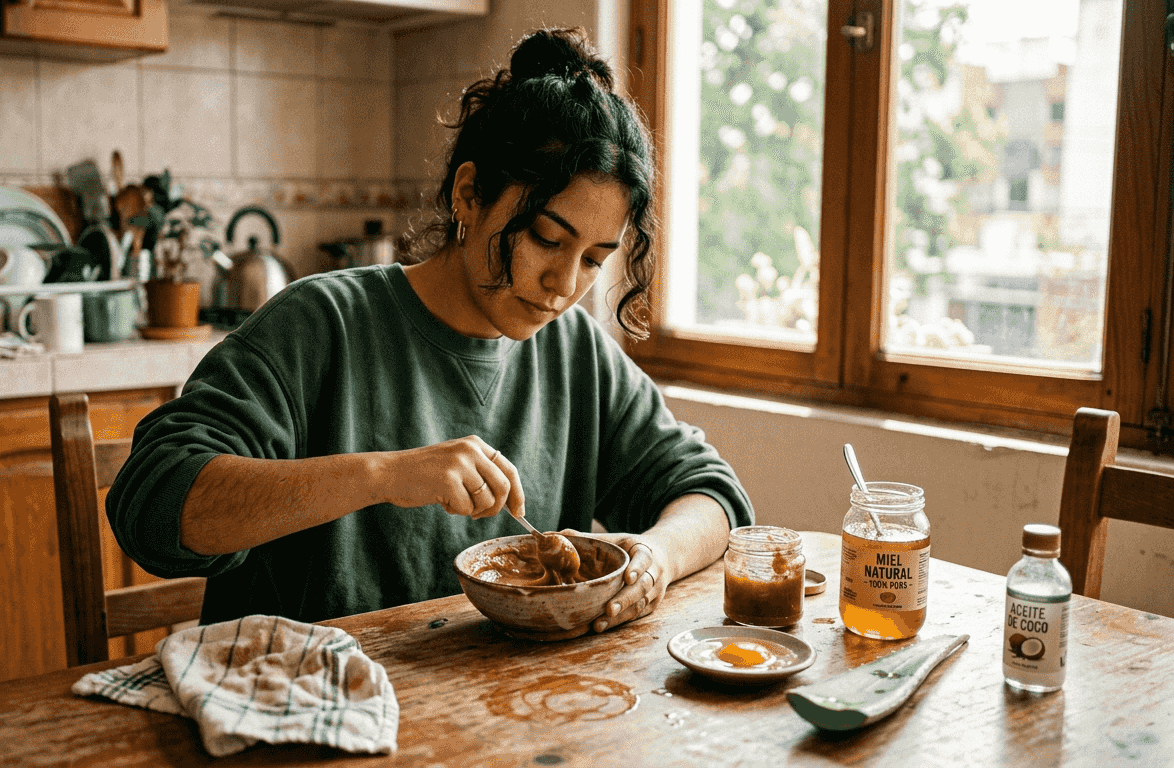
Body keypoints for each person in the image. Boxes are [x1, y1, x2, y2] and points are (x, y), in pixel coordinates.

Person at [106, 27, 755, 634]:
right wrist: (381, 475)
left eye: (593, 260)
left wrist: (656, 556)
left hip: (487, 705)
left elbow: (714, 497)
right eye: (546, 238)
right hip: (300, 696)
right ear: (469, 194)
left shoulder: (575, 353)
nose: (564, 285)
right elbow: (152, 505)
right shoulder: (320, 324)